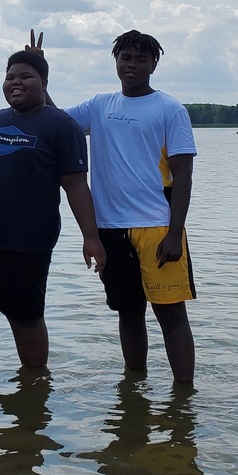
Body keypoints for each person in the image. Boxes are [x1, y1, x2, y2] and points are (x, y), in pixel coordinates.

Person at [44, 30, 197, 385]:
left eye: (141, 59)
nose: (132, 65)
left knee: (171, 315)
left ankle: (184, 395)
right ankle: (134, 387)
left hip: (158, 227)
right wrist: (42, 74)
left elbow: (184, 177)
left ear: (154, 65)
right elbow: (57, 122)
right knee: (128, 312)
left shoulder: (170, 109)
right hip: (110, 228)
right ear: (116, 61)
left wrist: (175, 234)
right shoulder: (100, 106)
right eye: (126, 58)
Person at [0, 52, 105, 370]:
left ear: (43, 83)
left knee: (26, 318)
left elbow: (75, 185)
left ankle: (35, 385)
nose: (15, 82)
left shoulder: (62, 126)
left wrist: (91, 237)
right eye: (10, 76)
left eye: (25, 76)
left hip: (27, 244)